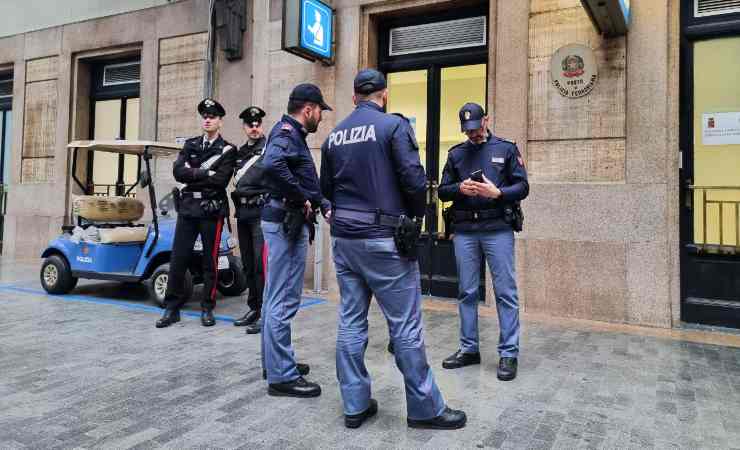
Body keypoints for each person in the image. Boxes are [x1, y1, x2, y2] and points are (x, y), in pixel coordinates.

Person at [320, 68, 467, 430]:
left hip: (345, 240)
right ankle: (425, 408)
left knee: (350, 322)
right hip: (385, 240)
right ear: (384, 95)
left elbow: (326, 190)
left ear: (354, 97)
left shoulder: (334, 135)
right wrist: (416, 219)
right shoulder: (392, 126)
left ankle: (354, 404)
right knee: (405, 326)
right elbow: (414, 181)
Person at [437, 102, 529, 381]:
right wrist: (459, 188)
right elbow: (442, 191)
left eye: (476, 128)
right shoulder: (456, 154)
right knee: (466, 291)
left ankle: (508, 353)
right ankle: (469, 349)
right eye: (468, 131)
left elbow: (523, 187)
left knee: (505, 292)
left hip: (497, 228)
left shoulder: (506, 148)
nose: (473, 135)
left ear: (486, 120)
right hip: (465, 229)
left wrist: (497, 193)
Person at [260, 83, 331, 397]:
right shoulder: (287, 133)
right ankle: (282, 376)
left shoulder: (289, 133)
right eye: (320, 111)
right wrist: (300, 196)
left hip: (283, 220)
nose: (321, 117)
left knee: (274, 297)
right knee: (283, 299)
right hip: (285, 223)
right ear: (309, 109)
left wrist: (319, 201)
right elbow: (271, 165)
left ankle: (275, 361)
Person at [156, 98, 237, 328]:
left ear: (220, 121)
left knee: (209, 260)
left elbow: (221, 180)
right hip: (189, 207)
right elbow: (177, 172)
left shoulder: (228, 150)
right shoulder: (190, 144)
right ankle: (172, 308)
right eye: (205, 117)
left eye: (212, 117)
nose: (208, 120)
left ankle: (207, 307)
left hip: (211, 209)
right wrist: (206, 174)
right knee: (178, 257)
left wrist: (194, 173)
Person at [231, 106, 268, 335]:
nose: (254, 128)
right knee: (248, 265)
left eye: (257, 124)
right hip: (243, 213)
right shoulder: (240, 152)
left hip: (261, 212)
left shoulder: (269, 148)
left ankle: (266, 312)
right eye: (250, 125)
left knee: (261, 265)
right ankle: (254, 308)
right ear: (244, 127)